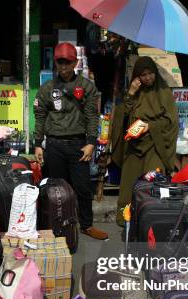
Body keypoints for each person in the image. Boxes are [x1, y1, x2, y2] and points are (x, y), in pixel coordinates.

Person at [34, 42, 108, 241]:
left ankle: (86, 225)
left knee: (83, 188)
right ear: (55, 63)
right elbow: (40, 115)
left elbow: (92, 116)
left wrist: (91, 142)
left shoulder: (86, 87)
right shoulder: (47, 88)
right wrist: (37, 144)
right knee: (55, 189)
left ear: (75, 62)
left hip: (78, 145)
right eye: (60, 62)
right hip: (55, 145)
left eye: (68, 62)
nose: (64, 66)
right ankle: (56, 225)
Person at [111, 56, 178, 226]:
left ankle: (152, 220)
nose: (147, 78)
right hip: (134, 145)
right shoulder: (135, 91)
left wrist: (151, 126)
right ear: (136, 76)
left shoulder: (163, 92)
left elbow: (171, 122)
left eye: (150, 74)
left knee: (152, 183)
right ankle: (126, 219)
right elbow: (122, 115)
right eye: (143, 75)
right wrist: (131, 92)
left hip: (155, 145)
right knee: (129, 182)